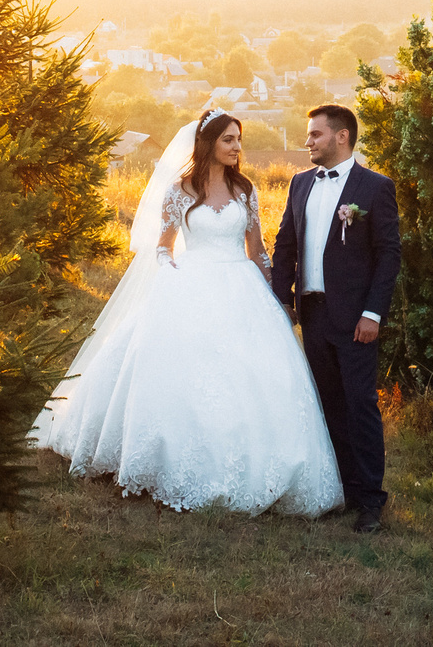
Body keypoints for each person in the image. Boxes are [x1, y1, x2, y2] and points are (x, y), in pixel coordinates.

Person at [33, 108, 343, 515]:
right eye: (228, 140)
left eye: (238, 139)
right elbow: (162, 244)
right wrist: (169, 269)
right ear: (208, 144)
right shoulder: (180, 190)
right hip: (191, 284)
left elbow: (257, 249)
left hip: (240, 289)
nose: (236, 147)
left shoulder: (245, 189)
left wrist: (276, 291)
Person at [270, 104, 402, 533]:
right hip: (313, 314)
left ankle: (371, 501)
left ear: (342, 136)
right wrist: (282, 300)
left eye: (315, 135)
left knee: (361, 404)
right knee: (328, 403)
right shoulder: (300, 183)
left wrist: (372, 313)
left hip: (356, 318)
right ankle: (342, 488)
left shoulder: (375, 187)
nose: (308, 142)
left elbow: (388, 255)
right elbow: (285, 242)